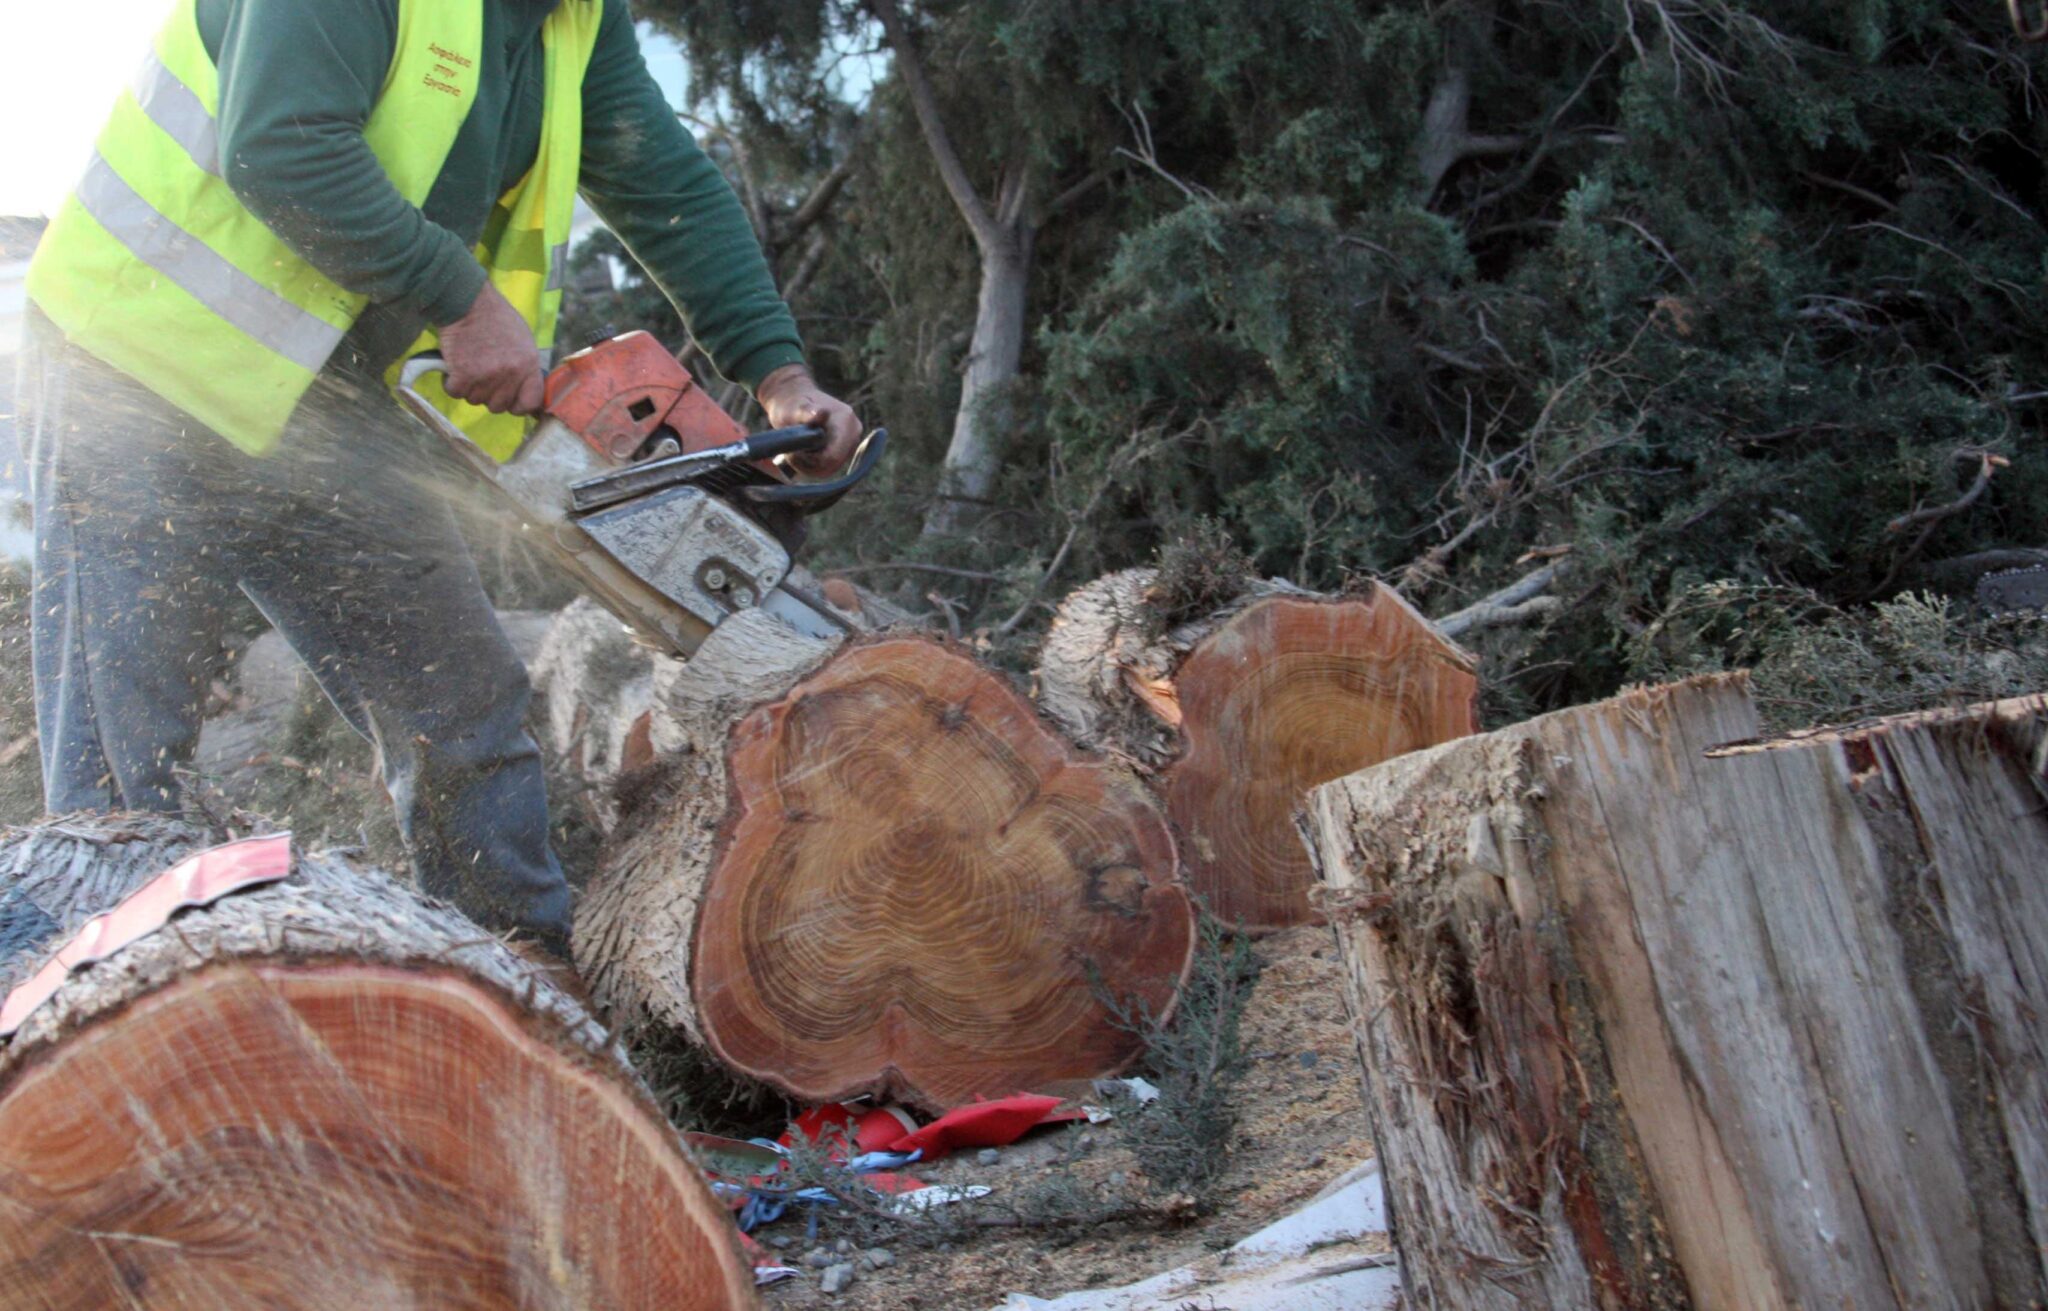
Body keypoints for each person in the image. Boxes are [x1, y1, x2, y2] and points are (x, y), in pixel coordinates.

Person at [19, 0, 860, 963]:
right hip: (136, 374)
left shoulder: (577, 18)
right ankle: (99, 1021)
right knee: (121, 773)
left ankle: (524, 982)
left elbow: (665, 183)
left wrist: (777, 372)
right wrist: (459, 298)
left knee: (457, 707)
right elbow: (279, 141)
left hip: (335, 409)